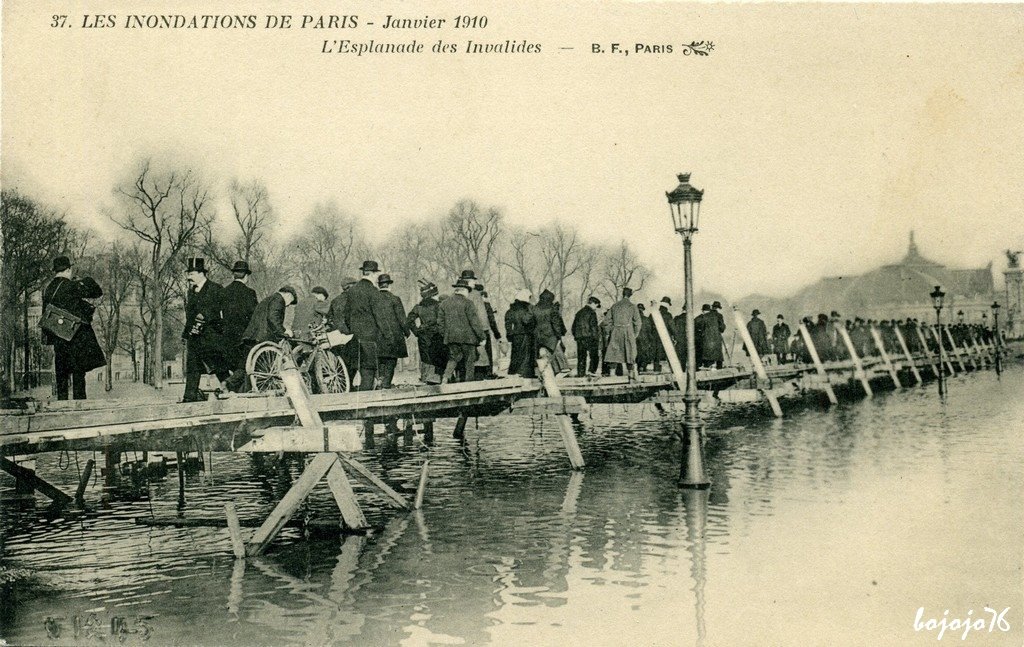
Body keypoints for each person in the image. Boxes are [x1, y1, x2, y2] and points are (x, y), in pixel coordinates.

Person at [41, 255, 106, 400]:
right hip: (75, 338)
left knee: (61, 375)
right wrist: (84, 279)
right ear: (68, 269)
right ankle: (79, 408)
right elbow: (97, 291)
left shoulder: (48, 289)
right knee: (78, 375)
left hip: (58, 338)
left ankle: (61, 407)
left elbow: (46, 316)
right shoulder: (72, 286)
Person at [181, 258, 229, 402]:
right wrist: (185, 333)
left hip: (211, 337)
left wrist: (206, 318)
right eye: (188, 273)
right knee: (193, 368)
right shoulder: (192, 291)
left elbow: (221, 311)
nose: (189, 277)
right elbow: (190, 316)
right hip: (194, 337)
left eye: (192, 273)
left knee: (218, 367)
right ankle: (189, 397)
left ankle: (232, 389)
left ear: (202, 273)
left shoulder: (216, 288)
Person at [341, 260, 385, 391]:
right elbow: (380, 316)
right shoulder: (373, 291)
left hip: (354, 338)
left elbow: (346, 315)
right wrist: (386, 334)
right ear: (372, 274)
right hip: (370, 339)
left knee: (356, 369)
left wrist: (353, 330)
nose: (377, 277)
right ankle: (367, 405)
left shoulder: (352, 291)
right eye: (376, 274)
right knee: (368, 373)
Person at [438, 278, 486, 383]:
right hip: (468, 338)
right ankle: (469, 384)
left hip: (451, 338)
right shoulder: (468, 303)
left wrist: (446, 335)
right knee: (469, 362)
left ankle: (445, 377)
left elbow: (440, 323)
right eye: (468, 291)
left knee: (453, 359)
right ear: (464, 290)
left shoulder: (444, 303)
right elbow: (475, 322)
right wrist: (482, 337)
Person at [220, 260, 258, 376]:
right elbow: (254, 315)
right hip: (244, 337)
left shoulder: (224, 292)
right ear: (246, 276)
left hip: (227, 336)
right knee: (244, 367)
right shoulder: (249, 293)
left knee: (233, 366)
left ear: (234, 275)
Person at [375, 273, 409, 389]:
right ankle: (386, 384)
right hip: (394, 336)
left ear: (379, 286)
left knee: (379, 359)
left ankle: (379, 381)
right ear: (389, 285)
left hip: (377, 335)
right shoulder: (395, 299)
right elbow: (402, 318)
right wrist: (407, 331)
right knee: (391, 361)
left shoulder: (373, 299)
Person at [407, 280, 445, 384]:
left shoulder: (418, 307)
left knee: (425, 359)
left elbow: (409, 320)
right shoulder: (439, 306)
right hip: (437, 336)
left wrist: (417, 332)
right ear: (433, 295)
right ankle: (439, 381)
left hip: (423, 337)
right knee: (438, 358)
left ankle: (426, 380)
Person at [604, 287, 642, 379]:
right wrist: (635, 334)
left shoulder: (614, 306)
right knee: (630, 352)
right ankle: (631, 375)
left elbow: (606, 321)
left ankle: (612, 375)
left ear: (622, 294)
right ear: (630, 295)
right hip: (628, 331)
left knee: (614, 352)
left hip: (616, 331)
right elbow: (638, 322)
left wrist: (609, 331)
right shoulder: (632, 306)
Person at [534, 289, 568, 374]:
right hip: (550, 336)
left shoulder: (534, 308)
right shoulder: (552, 309)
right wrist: (559, 336)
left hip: (538, 336)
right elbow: (556, 324)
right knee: (557, 351)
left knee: (543, 356)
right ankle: (562, 369)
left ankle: (545, 371)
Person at [505, 289, 537, 378]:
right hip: (527, 334)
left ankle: (514, 372)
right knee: (527, 355)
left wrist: (509, 335)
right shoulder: (528, 308)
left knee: (516, 354)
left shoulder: (511, 309)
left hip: (515, 335)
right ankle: (526, 374)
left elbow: (507, 324)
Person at [571, 297, 600, 377]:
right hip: (590, 337)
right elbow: (593, 327)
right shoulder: (592, 313)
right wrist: (596, 338)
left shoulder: (579, 313)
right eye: (596, 306)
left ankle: (581, 373)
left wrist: (577, 336)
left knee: (581, 357)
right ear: (593, 303)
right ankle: (591, 372)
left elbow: (573, 327)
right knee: (594, 356)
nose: (596, 308)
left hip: (580, 338)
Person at [695, 303, 725, 369]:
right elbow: (722, 328)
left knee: (707, 361)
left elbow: (700, 327)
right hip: (717, 341)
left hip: (706, 341)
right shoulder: (719, 316)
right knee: (718, 360)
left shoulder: (703, 316)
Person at [652, 297, 676, 371]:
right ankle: (672, 371)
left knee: (657, 356)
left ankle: (656, 370)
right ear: (667, 305)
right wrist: (675, 336)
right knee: (670, 355)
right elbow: (672, 327)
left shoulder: (653, 313)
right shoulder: (668, 315)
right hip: (666, 338)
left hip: (655, 337)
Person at [635, 303, 657, 372]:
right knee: (644, 355)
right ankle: (643, 368)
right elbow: (649, 331)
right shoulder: (646, 319)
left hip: (635, 340)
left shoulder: (633, 319)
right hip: (645, 340)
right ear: (642, 310)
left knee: (637, 355)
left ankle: (638, 369)